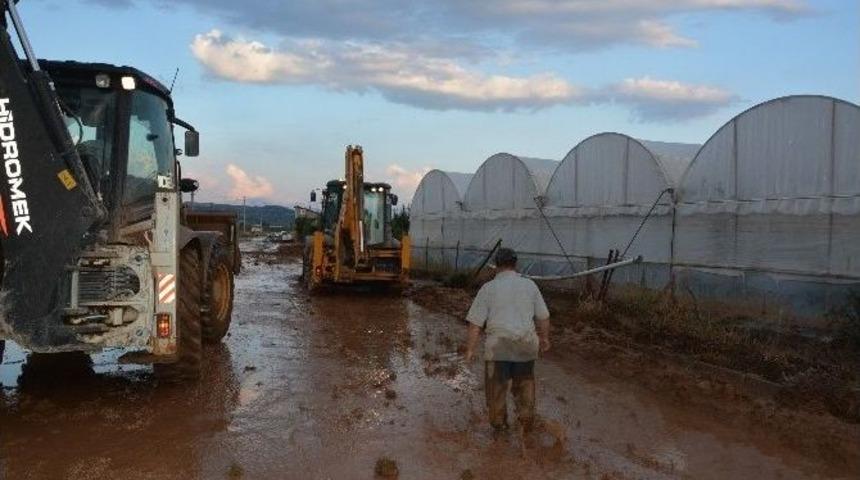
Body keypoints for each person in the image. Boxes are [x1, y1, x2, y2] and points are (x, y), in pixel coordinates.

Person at [464, 247, 550, 434]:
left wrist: (470, 350)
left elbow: (475, 324)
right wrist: (544, 338)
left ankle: (500, 431)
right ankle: (525, 426)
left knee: (496, 392)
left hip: (498, 349)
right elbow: (543, 317)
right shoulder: (530, 285)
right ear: (515, 264)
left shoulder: (488, 288)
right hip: (525, 346)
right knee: (524, 388)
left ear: (496, 265)